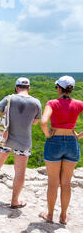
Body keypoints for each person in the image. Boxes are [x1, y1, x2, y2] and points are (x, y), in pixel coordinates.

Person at [0, 77, 42, 208]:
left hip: (5, 139)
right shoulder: (36, 102)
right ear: (29, 88)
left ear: (16, 87)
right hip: (23, 142)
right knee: (20, 173)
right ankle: (14, 201)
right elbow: (35, 122)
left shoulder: (9, 99)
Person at [39, 76, 83, 225]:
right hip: (71, 141)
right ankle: (63, 216)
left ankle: (50, 215)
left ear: (59, 88)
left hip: (54, 141)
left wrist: (47, 134)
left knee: (53, 182)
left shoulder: (52, 103)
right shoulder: (79, 104)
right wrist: (79, 135)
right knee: (66, 183)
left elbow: (43, 122)